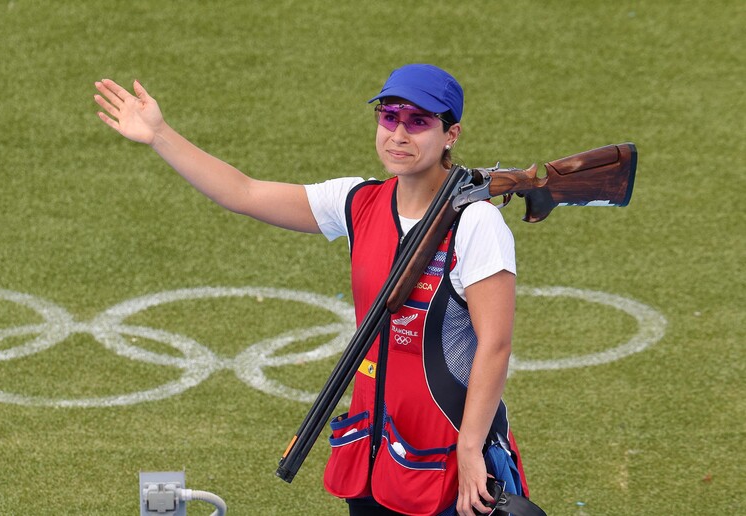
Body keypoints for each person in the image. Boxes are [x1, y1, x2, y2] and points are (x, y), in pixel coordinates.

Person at [95, 64, 526, 516]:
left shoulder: (478, 223)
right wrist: (160, 135)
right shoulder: (358, 200)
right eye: (388, 116)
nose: (398, 133)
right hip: (375, 449)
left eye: (418, 121)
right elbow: (243, 192)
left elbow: (494, 344)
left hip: (452, 450)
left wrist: (471, 447)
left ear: (450, 134)